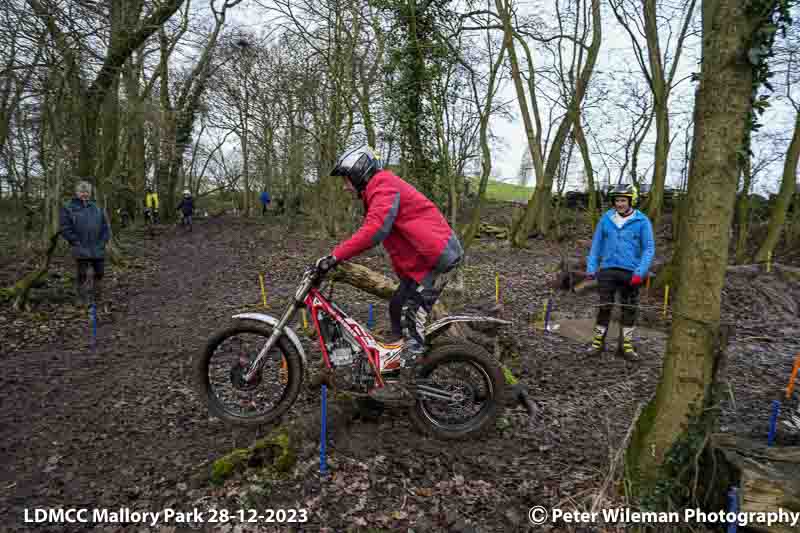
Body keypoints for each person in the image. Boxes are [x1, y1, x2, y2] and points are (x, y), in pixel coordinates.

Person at [314, 145, 463, 401]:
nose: (345, 187)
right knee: (396, 306)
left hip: (436, 260)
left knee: (409, 316)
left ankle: (406, 385)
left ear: (359, 172)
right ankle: (396, 361)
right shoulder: (378, 189)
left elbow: (375, 230)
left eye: (346, 180)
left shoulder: (384, 185)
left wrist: (335, 256)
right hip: (422, 263)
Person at [585, 183, 655, 359]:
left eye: (623, 200)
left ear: (631, 201)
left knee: (629, 309)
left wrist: (640, 272)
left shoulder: (642, 221)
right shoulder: (606, 219)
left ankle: (626, 346)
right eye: (617, 200)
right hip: (608, 270)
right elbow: (596, 244)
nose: (620, 204)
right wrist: (592, 267)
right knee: (604, 307)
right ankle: (597, 343)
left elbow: (648, 248)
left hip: (630, 272)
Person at [60, 180, 110, 310]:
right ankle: (81, 298)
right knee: (82, 274)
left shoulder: (96, 208)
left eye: (87, 192)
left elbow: (105, 227)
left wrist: (103, 242)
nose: (84, 194)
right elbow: (65, 228)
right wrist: (75, 241)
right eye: (82, 192)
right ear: (77, 193)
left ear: (90, 193)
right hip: (80, 247)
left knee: (99, 272)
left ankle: (97, 296)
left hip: (97, 246)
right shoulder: (69, 207)